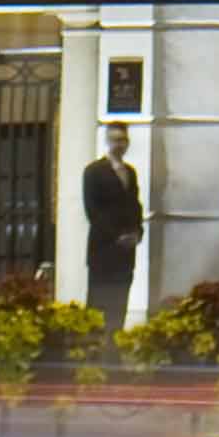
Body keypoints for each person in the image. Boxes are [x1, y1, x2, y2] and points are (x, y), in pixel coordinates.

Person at [79, 127, 144, 320]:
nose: (120, 144)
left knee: (119, 303)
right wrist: (117, 236)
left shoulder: (130, 172)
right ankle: (95, 347)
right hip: (103, 249)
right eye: (115, 140)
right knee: (99, 304)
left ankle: (115, 346)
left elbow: (135, 206)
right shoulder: (93, 171)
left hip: (126, 251)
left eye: (123, 140)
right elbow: (93, 210)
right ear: (107, 141)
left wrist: (137, 233)